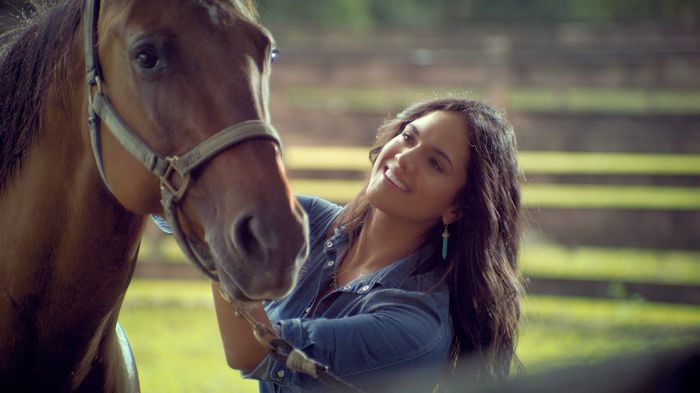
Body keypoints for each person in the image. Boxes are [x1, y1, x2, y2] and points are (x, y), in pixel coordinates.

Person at [208, 97, 524, 392]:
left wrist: (216, 232)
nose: (404, 158)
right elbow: (191, 207)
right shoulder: (314, 223)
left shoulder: (414, 328)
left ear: (456, 208)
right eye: (409, 137)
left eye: (435, 164)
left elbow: (253, 351)